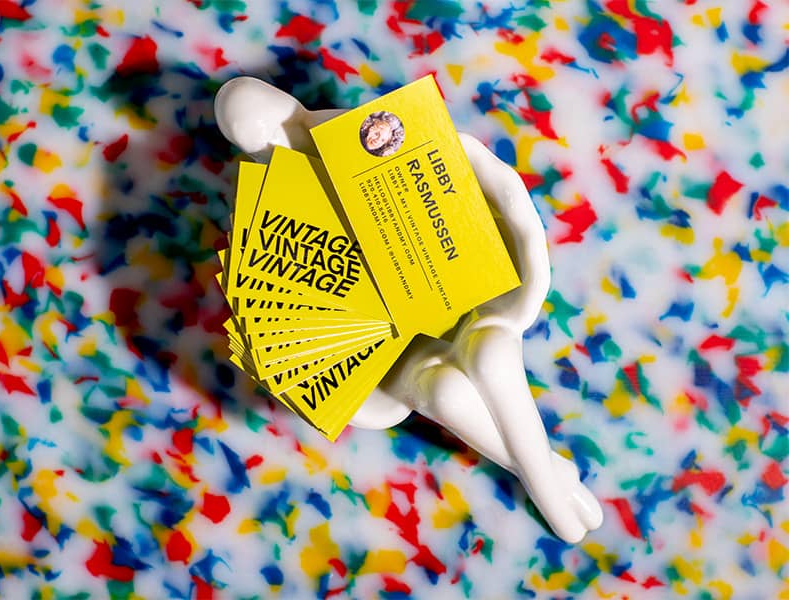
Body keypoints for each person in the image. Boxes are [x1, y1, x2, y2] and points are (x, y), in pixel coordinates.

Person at [214, 77, 603, 543]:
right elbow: (279, 320)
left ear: (287, 102)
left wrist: (515, 242)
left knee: (490, 353)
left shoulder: (364, 134)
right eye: (259, 145)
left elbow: (472, 174)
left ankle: (548, 486)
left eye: (273, 127)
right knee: (443, 392)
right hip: (395, 349)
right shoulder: (266, 216)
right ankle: (548, 476)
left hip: (468, 293)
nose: (275, 145)